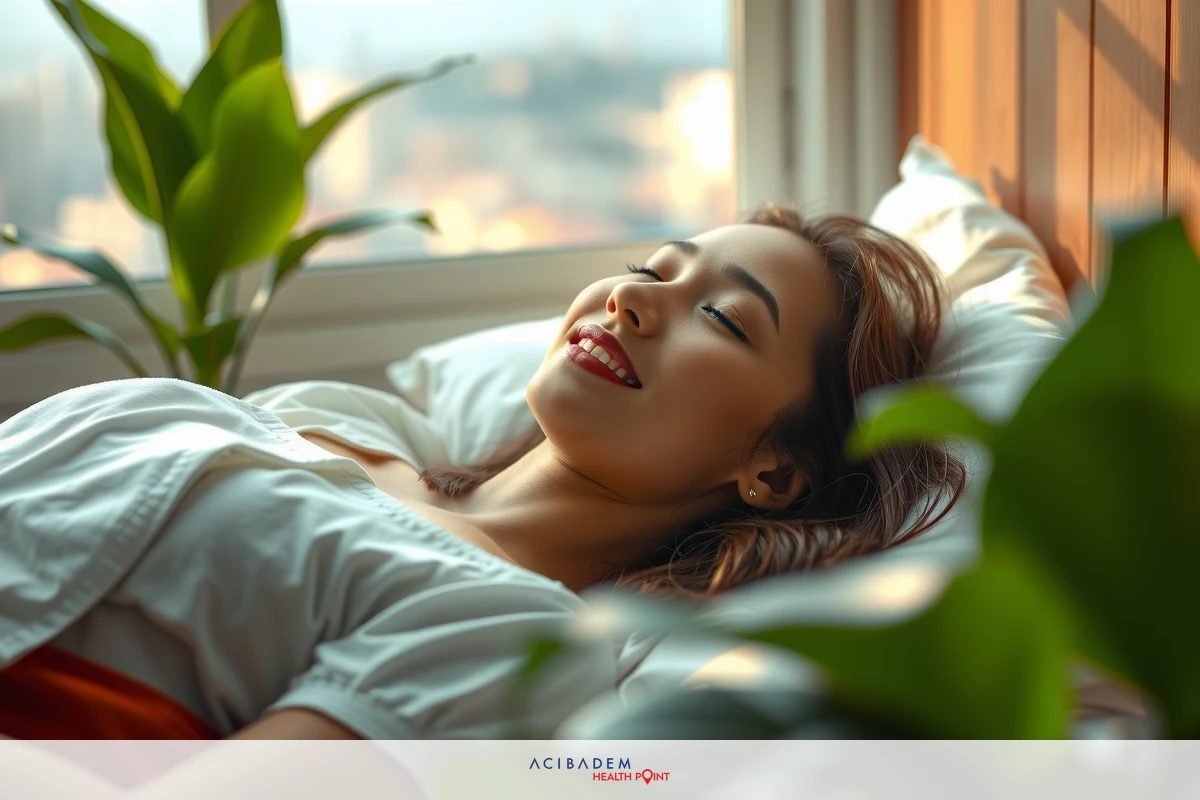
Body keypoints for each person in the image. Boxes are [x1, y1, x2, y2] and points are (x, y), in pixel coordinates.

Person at [0, 204, 965, 742]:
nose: (632, 299)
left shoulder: (512, 635)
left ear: (776, 473)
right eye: (653, 268)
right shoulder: (320, 421)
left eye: (723, 317)